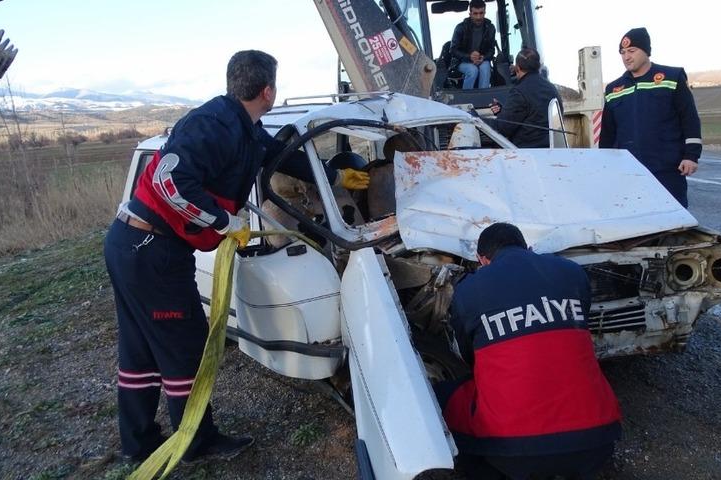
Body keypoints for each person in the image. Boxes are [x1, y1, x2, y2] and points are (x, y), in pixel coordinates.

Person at [104, 50, 369, 464]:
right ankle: (196, 444)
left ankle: (138, 444)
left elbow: (278, 157)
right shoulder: (212, 125)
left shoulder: (242, 126)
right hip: (151, 248)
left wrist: (335, 176)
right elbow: (168, 178)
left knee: (140, 350)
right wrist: (224, 221)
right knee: (184, 346)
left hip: (134, 244)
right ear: (268, 90)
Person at [435, 223, 621, 480]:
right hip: (598, 438)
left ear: (482, 260)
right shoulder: (572, 272)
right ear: (528, 248)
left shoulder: (470, 289)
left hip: (513, 453)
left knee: (442, 397)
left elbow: (468, 356)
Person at [599, 27, 702, 208]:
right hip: (628, 171)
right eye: (622, 53)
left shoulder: (672, 77)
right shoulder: (614, 89)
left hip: (667, 168)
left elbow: (689, 118)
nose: (626, 57)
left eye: (632, 51)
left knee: (672, 221)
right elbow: (608, 132)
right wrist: (606, 165)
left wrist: (691, 155)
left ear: (646, 51)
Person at [486, 47, 562, 148]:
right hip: (551, 151)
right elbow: (533, 115)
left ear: (517, 68)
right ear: (538, 65)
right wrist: (504, 111)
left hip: (527, 154)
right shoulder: (552, 88)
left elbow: (503, 128)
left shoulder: (519, 92)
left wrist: (476, 118)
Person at [450, 0, 495, 90]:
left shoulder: (490, 28)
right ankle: (467, 99)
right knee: (472, 70)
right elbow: (453, 50)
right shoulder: (460, 28)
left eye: (481, 13)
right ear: (470, 14)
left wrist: (483, 57)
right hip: (462, 62)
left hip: (482, 60)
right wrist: (469, 57)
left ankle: (484, 99)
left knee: (485, 67)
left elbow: (491, 50)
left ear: (484, 13)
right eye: (475, 13)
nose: (478, 17)